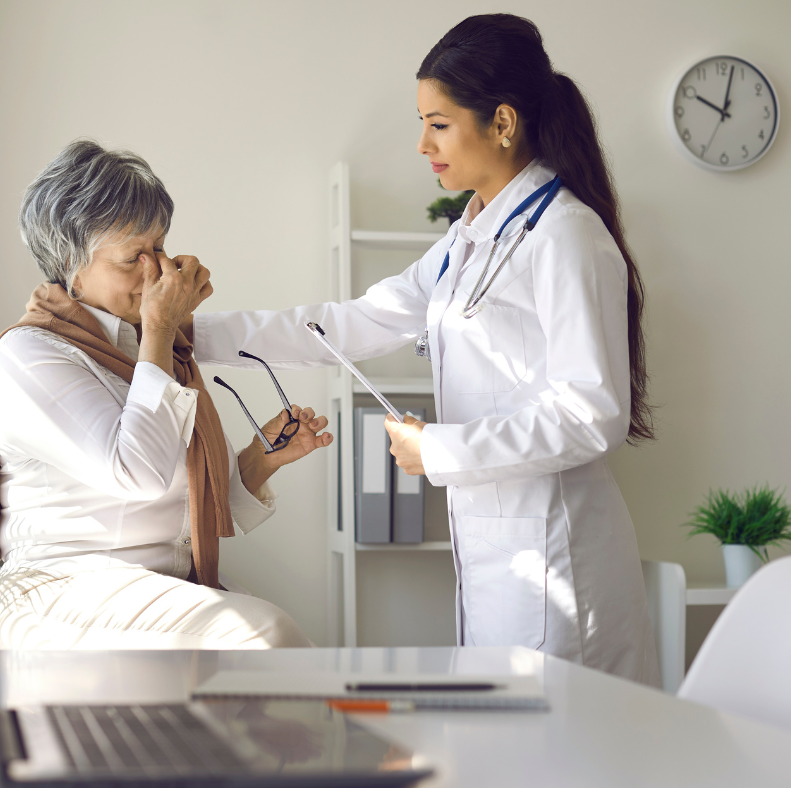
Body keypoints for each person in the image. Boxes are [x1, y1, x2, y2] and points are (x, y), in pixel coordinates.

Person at [192, 14, 660, 684]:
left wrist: (439, 450)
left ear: (502, 122)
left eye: (438, 123)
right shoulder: (467, 240)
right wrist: (192, 334)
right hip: (497, 554)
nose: (422, 144)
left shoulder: (565, 236)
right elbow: (344, 326)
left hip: (559, 561)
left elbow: (592, 412)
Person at [0, 140, 332, 650]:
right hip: (60, 590)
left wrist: (261, 459)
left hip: (151, 583)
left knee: (278, 642)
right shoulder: (31, 355)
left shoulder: (140, 349)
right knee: (266, 635)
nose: (158, 271)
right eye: (133, 257)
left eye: (160, 247)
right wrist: (161, 329)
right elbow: (139, 474)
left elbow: (188, 517)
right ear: (71, 267)